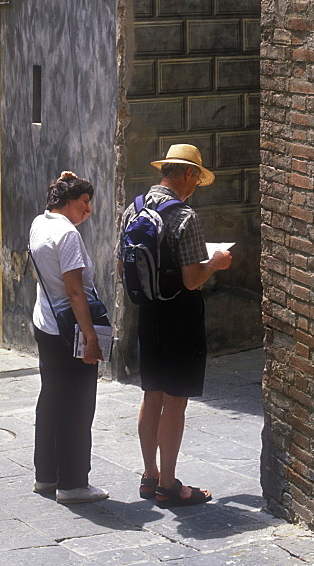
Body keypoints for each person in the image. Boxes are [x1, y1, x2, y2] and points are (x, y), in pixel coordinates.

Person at [117, 144, 233, 507]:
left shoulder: (132, 210)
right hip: (180, 317)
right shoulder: (185, 217)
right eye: (197, 177)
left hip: (147, 313)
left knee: (151, 396)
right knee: (175, 402)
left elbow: (124, 265)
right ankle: (170, 485)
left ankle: (149, 476)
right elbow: (191, 280)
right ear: (187, 174)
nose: (196, 185)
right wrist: (216, 263)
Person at [29, 171, 109, 504]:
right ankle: (73, 483)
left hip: (45, 324)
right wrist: (90, 338)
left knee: (51, 400)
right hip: (71, 329)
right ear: (68, 202)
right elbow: (76, 292)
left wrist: (64, 180)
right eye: (84, 202)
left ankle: (46, 476)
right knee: (77, 404)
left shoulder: (39, 223)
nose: (88, 209)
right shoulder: (68, 235)